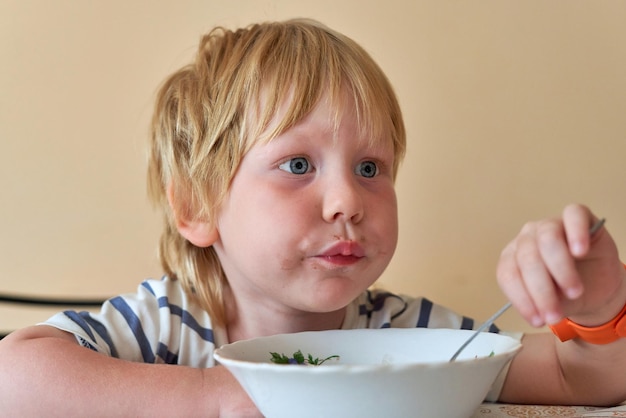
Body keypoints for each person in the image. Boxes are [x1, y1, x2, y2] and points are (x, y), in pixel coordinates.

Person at [0, 18, 624, 416]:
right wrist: (218, 400)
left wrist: (599, 307)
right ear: (196, 206)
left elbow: (582, 382)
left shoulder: (405, 334)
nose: (348, 201)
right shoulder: (163, 328)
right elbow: (15, 374)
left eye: (371, 168)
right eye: (298, 165)